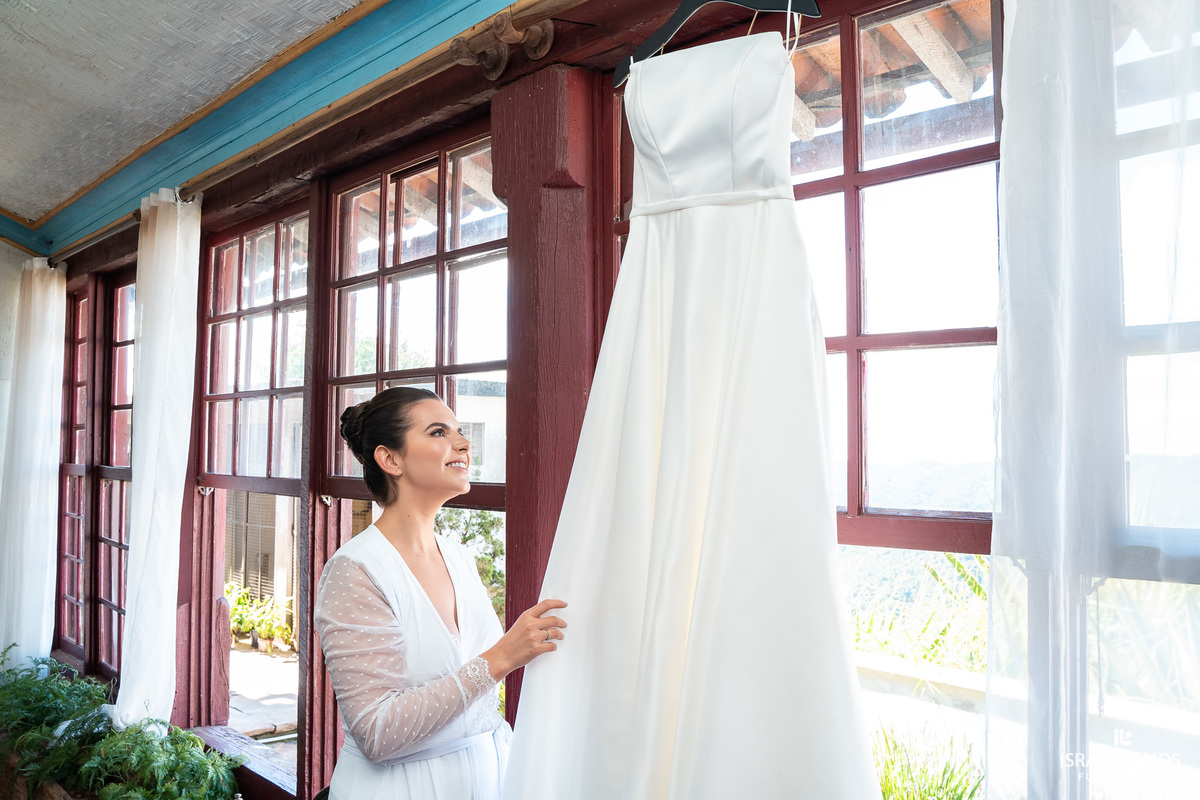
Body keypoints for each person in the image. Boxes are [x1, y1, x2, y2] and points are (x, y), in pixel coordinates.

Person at [314, 386, 566, 799]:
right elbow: (377, 733)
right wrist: (503, 656)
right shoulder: (356, 571)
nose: (464, 444)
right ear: (390, 459)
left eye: (460, 432)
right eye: (438, 432)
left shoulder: (458, 557)